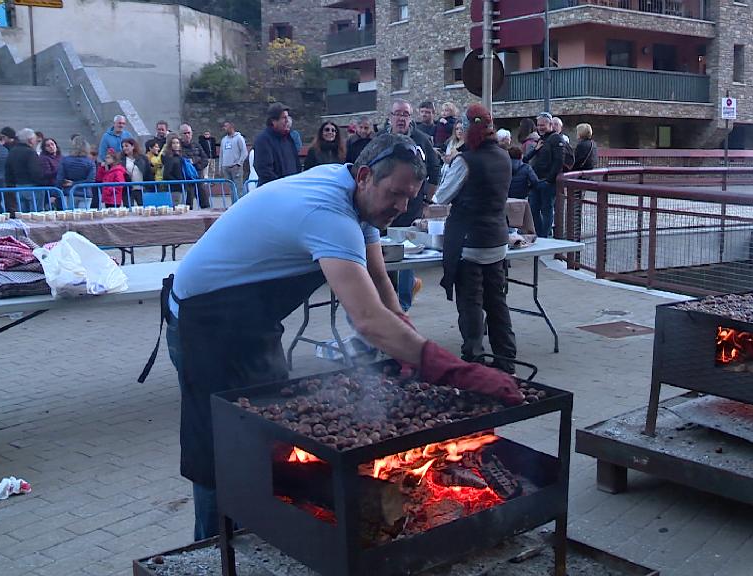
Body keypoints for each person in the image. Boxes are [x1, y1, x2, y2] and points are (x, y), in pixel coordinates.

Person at [138, 131, 522, 541]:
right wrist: (458, 371)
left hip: (253, 323)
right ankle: (213, 551)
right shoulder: (327, 214)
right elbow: (369, 320)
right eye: (395, 194)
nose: (402, 206)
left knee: (268, 437)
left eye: (410, 197)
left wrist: (409, 345)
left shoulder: (356, 198)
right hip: (205, 323)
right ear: (364, 176)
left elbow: (384, 294)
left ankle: (265, 535)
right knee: (222, 452)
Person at [433, 103, 516, 374]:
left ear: (469, 129)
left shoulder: (465, 160)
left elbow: (441, 197)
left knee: (471, 304)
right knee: (497, 302)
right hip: (497, 241)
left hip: (471, 244)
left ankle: (474, 359)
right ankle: (506, 360)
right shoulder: (504, 156)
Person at [384, 98, 442, 312]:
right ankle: (388, 297)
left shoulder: (422, 139)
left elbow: (434, 169)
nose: (401, 118)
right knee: (387, 251)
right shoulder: (382, 139)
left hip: (412, 205)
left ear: (410, 117)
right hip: (385, 205)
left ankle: (404, 303)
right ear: (390, 116)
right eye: (397, 114)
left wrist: (428, 199)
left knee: (407, 253)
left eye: (405, 114)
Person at [523, 112, 564, 237]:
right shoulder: (542, 139)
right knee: (533, 210)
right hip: (537, 181)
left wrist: (549, 180)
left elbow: (558, 161)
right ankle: (540, 235)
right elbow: (526, 159)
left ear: (551, 124)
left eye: (543, 125)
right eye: (538, 125)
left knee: (546, 211)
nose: (540, 127)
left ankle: (544, 237)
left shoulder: (556, 138)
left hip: (546, 182)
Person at [253, 102, 299, 187]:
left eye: (288, 117)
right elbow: (264, 170)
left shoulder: (289, 139)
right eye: (284, 118)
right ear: (273, 121)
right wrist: (281, 186)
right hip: (273, 191)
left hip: (291, 189)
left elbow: (296, 165)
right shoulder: (263, 140)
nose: (287, 121)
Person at [5, 128, 47, 211]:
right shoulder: (30, 152)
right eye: (35, 139)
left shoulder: (12, 151)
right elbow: (35, 171)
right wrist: (42, 182)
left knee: (23, 213)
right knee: (36, 213)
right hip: (33, 187)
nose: (36, 142)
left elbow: (8, 170)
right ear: (30, 140)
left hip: (18, 186)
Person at [57, 135, 96, 209]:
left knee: (70, 217)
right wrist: (76, 183)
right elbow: (91, 181)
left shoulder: (65, 160)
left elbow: (59, 179)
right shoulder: (90, 162)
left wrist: (55, 193)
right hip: (85, 193)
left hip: (69, 192)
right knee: (84, 218)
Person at [179, 123, 210, 208]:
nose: (187, 135)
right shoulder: (178, 147)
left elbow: (205, 159)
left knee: (205, 204)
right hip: (186, 179)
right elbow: (183, 160)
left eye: (189, 133)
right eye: (185, 133)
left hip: (199, 177)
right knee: (188, 205)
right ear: (180, 134)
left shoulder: (196, 145)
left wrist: (196, 164)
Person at [219, 121, 248, 198]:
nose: (224, 128)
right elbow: (221, 154)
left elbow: (244, 152)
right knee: (231, 189)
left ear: (231, 127)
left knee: (239, 189)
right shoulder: (224, 140)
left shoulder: (239, 138)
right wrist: (221, 166)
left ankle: (240, 206)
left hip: (236, 167)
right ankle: (233, 205)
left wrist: (239, 163)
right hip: (226, 167)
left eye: (226, 126)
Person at [121, 138, 151, 206]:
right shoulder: (121, 160)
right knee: (129, 209)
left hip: (142, 189)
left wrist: (149, 187)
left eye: (126, 146)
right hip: (128, 189)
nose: (124, 148)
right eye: (123, 147)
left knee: (144, 208)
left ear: (133, 146)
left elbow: (148, 173)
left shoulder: (143, 158)